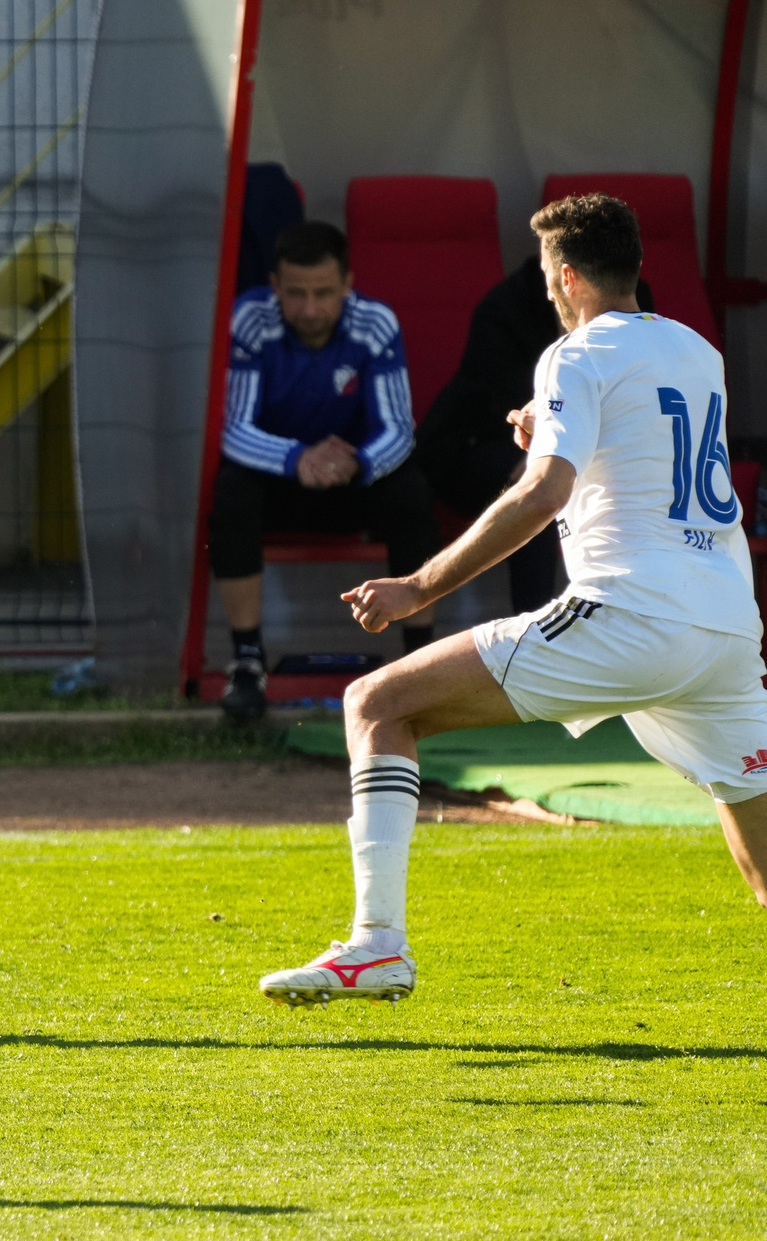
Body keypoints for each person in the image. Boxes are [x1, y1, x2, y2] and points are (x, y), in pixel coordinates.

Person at [261, 193, 767, 1005]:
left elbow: (541, 499)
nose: (546, 294)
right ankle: (372, 948)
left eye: (545, 278)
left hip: (633, 615)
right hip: (728, 628)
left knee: (376, 701)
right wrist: (558, 435)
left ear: (566, 275)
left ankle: (375, 947)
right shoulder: (697, 351)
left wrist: (417, 585)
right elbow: (648, 461)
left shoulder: (573, 354)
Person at [209, 220, 438, 726]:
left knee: (412, 492)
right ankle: (247, 661)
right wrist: (296, 459)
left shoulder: (375, 324)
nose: (310, 309)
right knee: (230, 493)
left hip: (352, 480)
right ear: (275, 288)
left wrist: (357, 463)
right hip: (281, 479)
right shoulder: (249, 320)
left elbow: (399, 428)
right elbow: (233, 427)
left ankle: (418, 663)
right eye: (296, 294)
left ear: (347, 285)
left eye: (323, 293)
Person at [418, 263, 655, 617]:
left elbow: (638, 393)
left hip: (577, 440)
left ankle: (635, 621)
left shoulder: (631, 298)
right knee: (540, 493)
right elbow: (525, 419)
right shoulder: (505, 311)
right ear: (565, 280)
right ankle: (535, 630)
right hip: (476, 444)